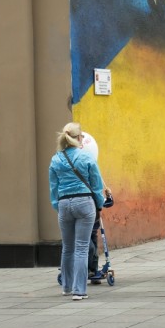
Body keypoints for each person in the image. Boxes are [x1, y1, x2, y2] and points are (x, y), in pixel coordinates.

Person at [49, 122, 105, 300]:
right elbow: (96, 184)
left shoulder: (55, 159)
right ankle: (79, 291)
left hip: (64, 203)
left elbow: (53, 187)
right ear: (79, 138)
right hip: (84, 202)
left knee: (67, 248)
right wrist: (99, 204)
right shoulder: (86, 156)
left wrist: (58, 206)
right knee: (81, 247)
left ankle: (66, 287)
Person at [88, 186, 112, 284]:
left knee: (94, 250)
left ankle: (93, 272)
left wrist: (109, 195)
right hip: (83, 228)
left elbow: (108, 203)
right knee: (90, 249)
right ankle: (86, 270)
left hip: (93, 227)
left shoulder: (95, 194)